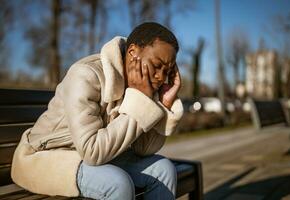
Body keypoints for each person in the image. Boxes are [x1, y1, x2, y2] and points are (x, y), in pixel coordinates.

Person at [11, 22, 183, 200]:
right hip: (46, 157)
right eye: (157, 65)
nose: (161, 77)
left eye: (167, 71)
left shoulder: (142, 84)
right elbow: (92, 152)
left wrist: (163, 104)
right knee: (117, 183)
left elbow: (143, 149)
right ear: (133, 53)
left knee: (164, 169)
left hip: (92, 155)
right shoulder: (86, 75)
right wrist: (141, 100)